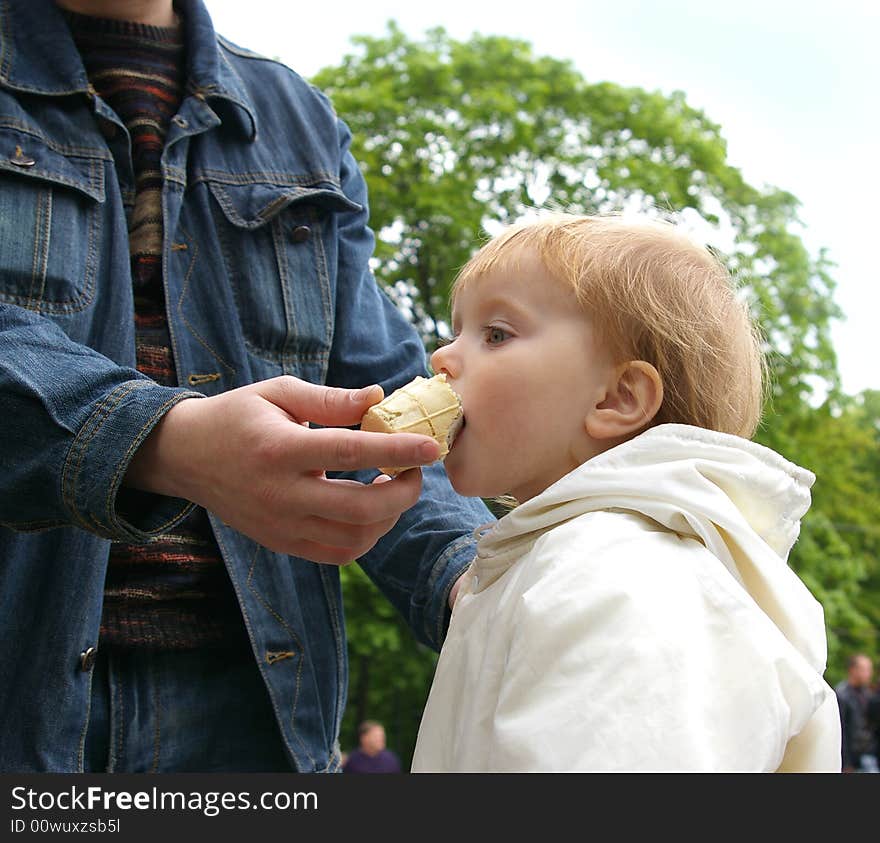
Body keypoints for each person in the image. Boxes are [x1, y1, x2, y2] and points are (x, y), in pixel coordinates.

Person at [0, 0, 491, 772]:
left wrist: (479, 581)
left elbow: (381, 396)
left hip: (262, 727)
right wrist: (162, 441)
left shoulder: (298, 119)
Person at [410, 213, 842, 772]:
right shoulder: (542, 563)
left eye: (496, 334)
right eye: (455, 329)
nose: (441, 357)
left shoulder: (619, 575)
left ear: (615, 399)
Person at [835, 654, 879, 772]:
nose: (868, 673)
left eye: (870, 669)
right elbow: (840, 731)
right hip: (851, 759)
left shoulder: (868, 693)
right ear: (853, 670)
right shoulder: (842, 695)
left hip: (868, 755)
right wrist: (845, 763)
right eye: (864, 669)